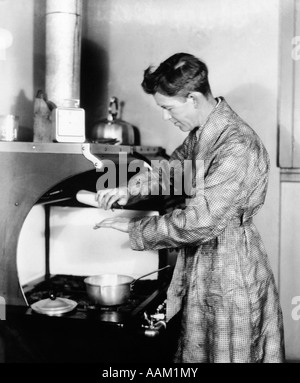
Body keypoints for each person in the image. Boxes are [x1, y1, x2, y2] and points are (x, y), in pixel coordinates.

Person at [94, 53, 285, 363]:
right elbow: (171, 171)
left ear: (193, 98)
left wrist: (132, 228)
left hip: (230, 266)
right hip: (205, 259)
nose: (167, 118)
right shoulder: (204, 134)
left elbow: (200, 221)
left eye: (168, 108)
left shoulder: (236, 144)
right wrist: (126, 189)